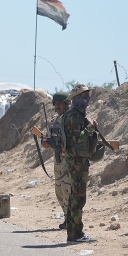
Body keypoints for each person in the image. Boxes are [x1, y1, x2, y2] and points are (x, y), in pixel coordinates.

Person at [60, 84, 98, 244]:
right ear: (77, 99)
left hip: (76, 160)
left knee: (75, 196)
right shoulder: (74, 116)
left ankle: (73, 233)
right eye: (84, 96)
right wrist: (89, 128)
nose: (87, 99)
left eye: (88, 96)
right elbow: (77, 139)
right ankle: (76, 234)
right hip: (77, 161)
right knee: (78, 198)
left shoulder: (75, 115)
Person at [41, 92, 72, 230]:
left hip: (69, 159)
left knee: (68, 190)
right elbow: (46, 140)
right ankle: (67, 218)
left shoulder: (71, 119)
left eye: (60, 103)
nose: (57, 105)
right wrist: (46, 142)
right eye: (55, 103)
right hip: (58, 160)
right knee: (59, 191)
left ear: (66, 103)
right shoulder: (55, 120)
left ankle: (71, 219)